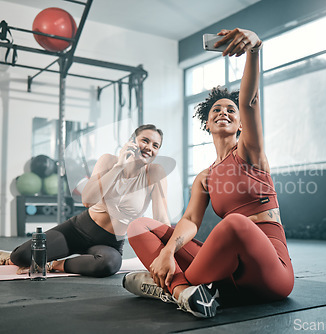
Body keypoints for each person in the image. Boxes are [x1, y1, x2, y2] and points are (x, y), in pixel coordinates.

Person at [123, 28, 294, 318]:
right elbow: (190, 220)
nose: (223, 112)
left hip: (271, 272)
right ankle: (183, 290)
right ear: (207, 124)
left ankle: (168, 285)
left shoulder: (250, 152)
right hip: (226, 272)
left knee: (235, 224)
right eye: (216, 110)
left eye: (230, 109)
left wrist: (253, 49)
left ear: (241, 124)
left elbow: (250, 102)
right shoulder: (205, 177)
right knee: (138, 227)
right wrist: (166, 252)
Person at [0, 124, 170, 277]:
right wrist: (120, 166)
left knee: (109, 265)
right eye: (145, 140)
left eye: (155, 145)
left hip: (110, 243)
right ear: (132, 142)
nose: (149, 148)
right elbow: (88, 200)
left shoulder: (155, 173)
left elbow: (162, 217)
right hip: (78, 230)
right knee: (22, 257)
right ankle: (8, 258)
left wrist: (169, 252)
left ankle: (54, 264)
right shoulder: (108, 161)